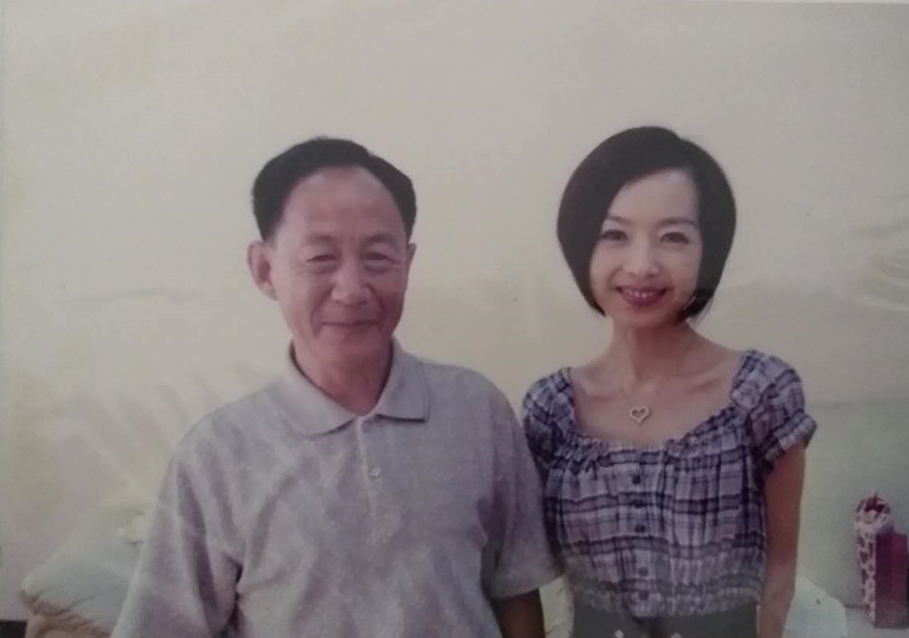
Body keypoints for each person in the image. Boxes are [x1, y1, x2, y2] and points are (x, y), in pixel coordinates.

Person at [112, 137, 559, 638]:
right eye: (320, 258)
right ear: (264, 269)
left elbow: (516, 588)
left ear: (408, 262)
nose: (351, 289)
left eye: (378, 257)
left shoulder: (477, 411)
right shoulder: (217, 455)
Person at [521, 126, 817, 638]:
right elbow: (529, 574)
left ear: (708, 251)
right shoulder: (551, 410)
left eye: (673, 237)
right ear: (583, 247)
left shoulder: (761, 393)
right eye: (614, 235)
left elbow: (780, 574)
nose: (642, 266)